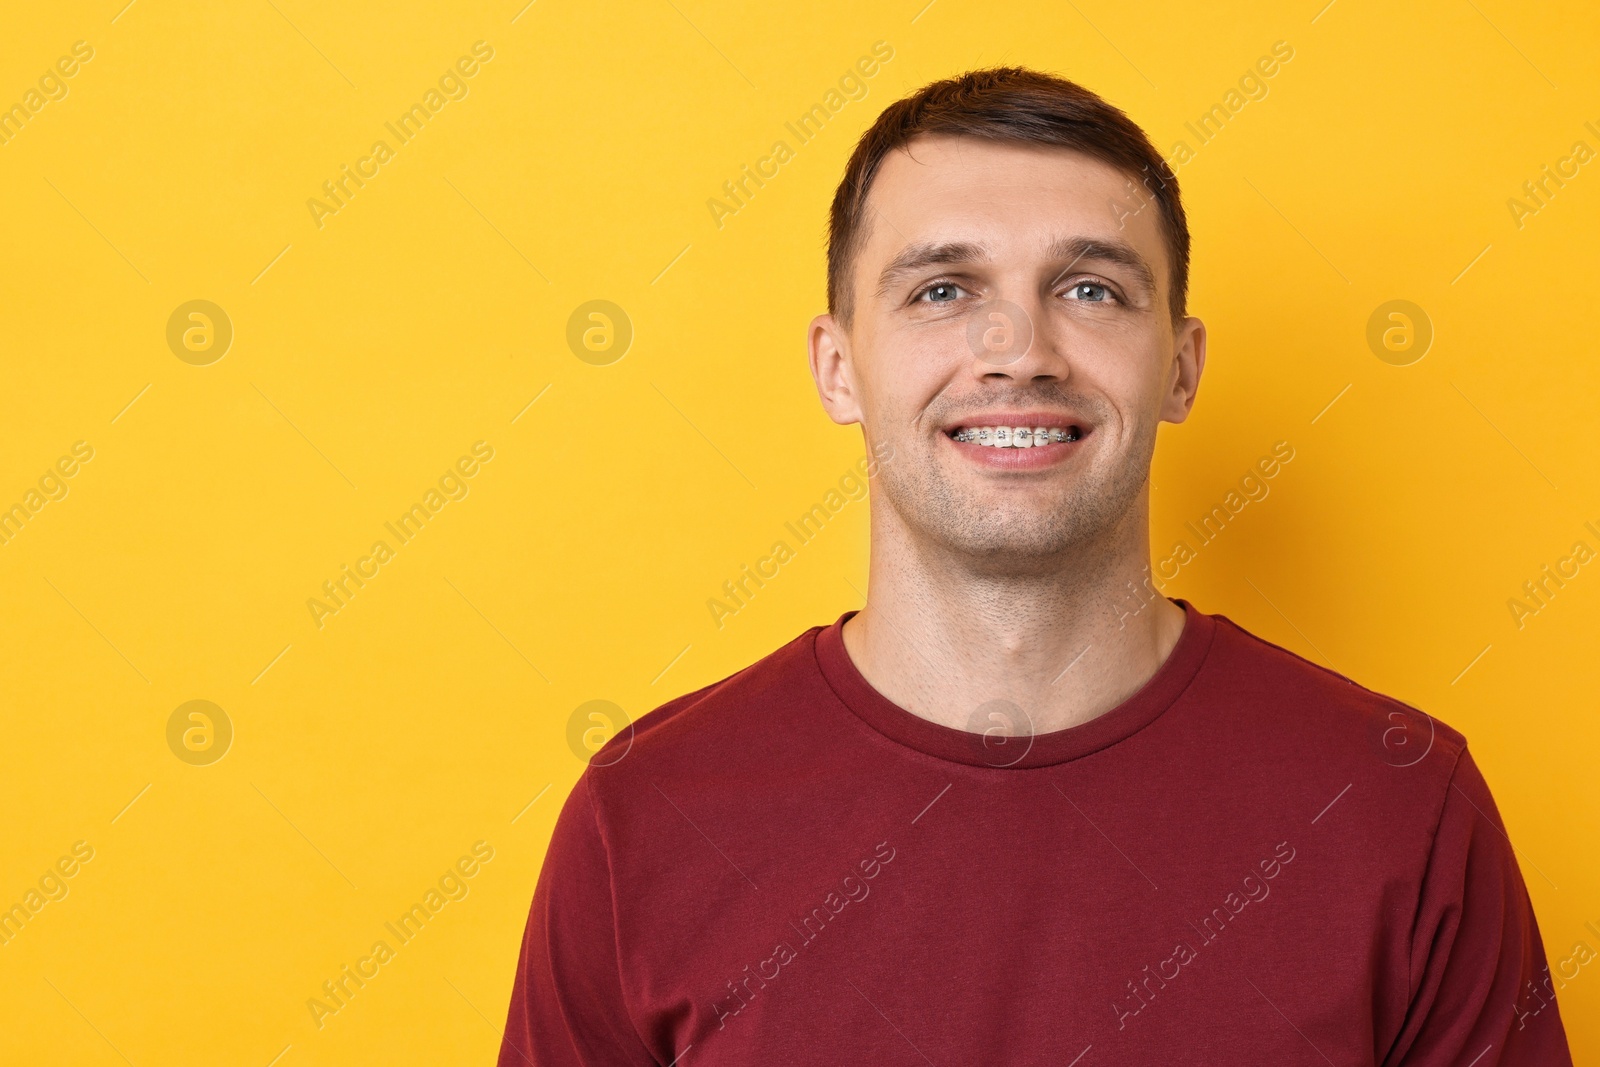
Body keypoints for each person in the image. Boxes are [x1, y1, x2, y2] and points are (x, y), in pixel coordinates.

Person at [497, 67, 1573, 1065]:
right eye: (941, 290)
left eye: (1092, 289)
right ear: (838, 367)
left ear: (1181, 367)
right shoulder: (646, 814)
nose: (1020, 348)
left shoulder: (1399, 803)